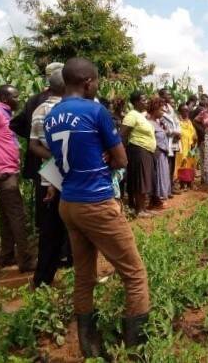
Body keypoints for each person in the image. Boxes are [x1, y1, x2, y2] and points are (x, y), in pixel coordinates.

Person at [44, 58, 150, 357]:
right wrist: (106, 155)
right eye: (97, 81)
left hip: (69, 202)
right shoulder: (94, 110)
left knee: (84, 275)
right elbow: (121, 160)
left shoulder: (53, 115)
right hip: (96, 201)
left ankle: (91, 350)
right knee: (135, 274)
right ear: (88, 82)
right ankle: (136, 351)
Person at [0, 84, 35, 273]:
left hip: (7, 170)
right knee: (17, 215)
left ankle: (7, 256)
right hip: (1, 172)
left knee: (6, 215)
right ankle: (25, 260)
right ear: (4, 98)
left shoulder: (6, 115)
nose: (18, 99)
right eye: (15, 96)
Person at [28, 70, 72, 287]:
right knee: (68, 225)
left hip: (51, 173)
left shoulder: (39, 110)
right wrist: (62, 158)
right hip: (70, 174)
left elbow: (34, 145)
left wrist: (54, 158)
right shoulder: (70, 109)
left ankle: (43, 279)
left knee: (51, 228)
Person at [10, 62, 64, 180]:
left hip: (38, 159)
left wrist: (34, 135)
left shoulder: (34, 100)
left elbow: (15, 124)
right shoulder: (66, 100)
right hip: (63, 162)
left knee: (43, 196)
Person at [121, 91, 156, 218]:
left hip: (145, 151)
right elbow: (123, 134)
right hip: (138, 151)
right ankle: (139, 210)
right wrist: (123, 153)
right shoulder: (132, 115)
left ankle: (143, 208)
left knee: (144, 180)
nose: (146, 101)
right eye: (143, 99)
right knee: (140, 180)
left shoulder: (141, 115)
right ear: (136, 102)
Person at [148, 98, 172, 209]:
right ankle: (154, 200)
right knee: (157, 176)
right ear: (155, 109)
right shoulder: (149, 123)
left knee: (161, 176)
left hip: (162, 153)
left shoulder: (158, 122)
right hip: (156, 153)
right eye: (161, 110)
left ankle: (156, 200)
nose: (163, 112)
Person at [159, 88, 182, 195]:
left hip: (174, 141)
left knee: (172, 164)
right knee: (166, 165)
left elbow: (177, 121)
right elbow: (160, 126)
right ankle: (165, 189)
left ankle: (171, 187)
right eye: (167, 94)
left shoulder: (170, 108)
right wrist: (173, 132)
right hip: (165, 140)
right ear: (161, 96)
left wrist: (178, 132)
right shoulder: (159, 108)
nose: (169, 96)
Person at [175, 104, 198, 190]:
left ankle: (190, 182)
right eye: (184, 111)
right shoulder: (178, 122)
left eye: (187, 110)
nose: (186, 112)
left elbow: (193, 133)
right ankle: (182, 183)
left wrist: (194, 141)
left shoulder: (189, 122)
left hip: (190, 146)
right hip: (181, 146)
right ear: (180, 112)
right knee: (182, 163)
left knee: (190, 164)